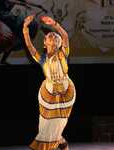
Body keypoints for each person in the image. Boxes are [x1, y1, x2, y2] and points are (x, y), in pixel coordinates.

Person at [23, 15, 76, 150]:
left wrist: (55, 24)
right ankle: (59, 142)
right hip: (50, 95)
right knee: (47, 126)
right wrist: (25, 29)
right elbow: (29, 46)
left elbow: (65, 36)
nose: (51, 36)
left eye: (53, 36)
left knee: (58, 124)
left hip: (65, 93)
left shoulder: (63, 54)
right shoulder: (42, 59)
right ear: (45, 44)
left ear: (57, 42)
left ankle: (56, 141)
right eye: (48, 37)